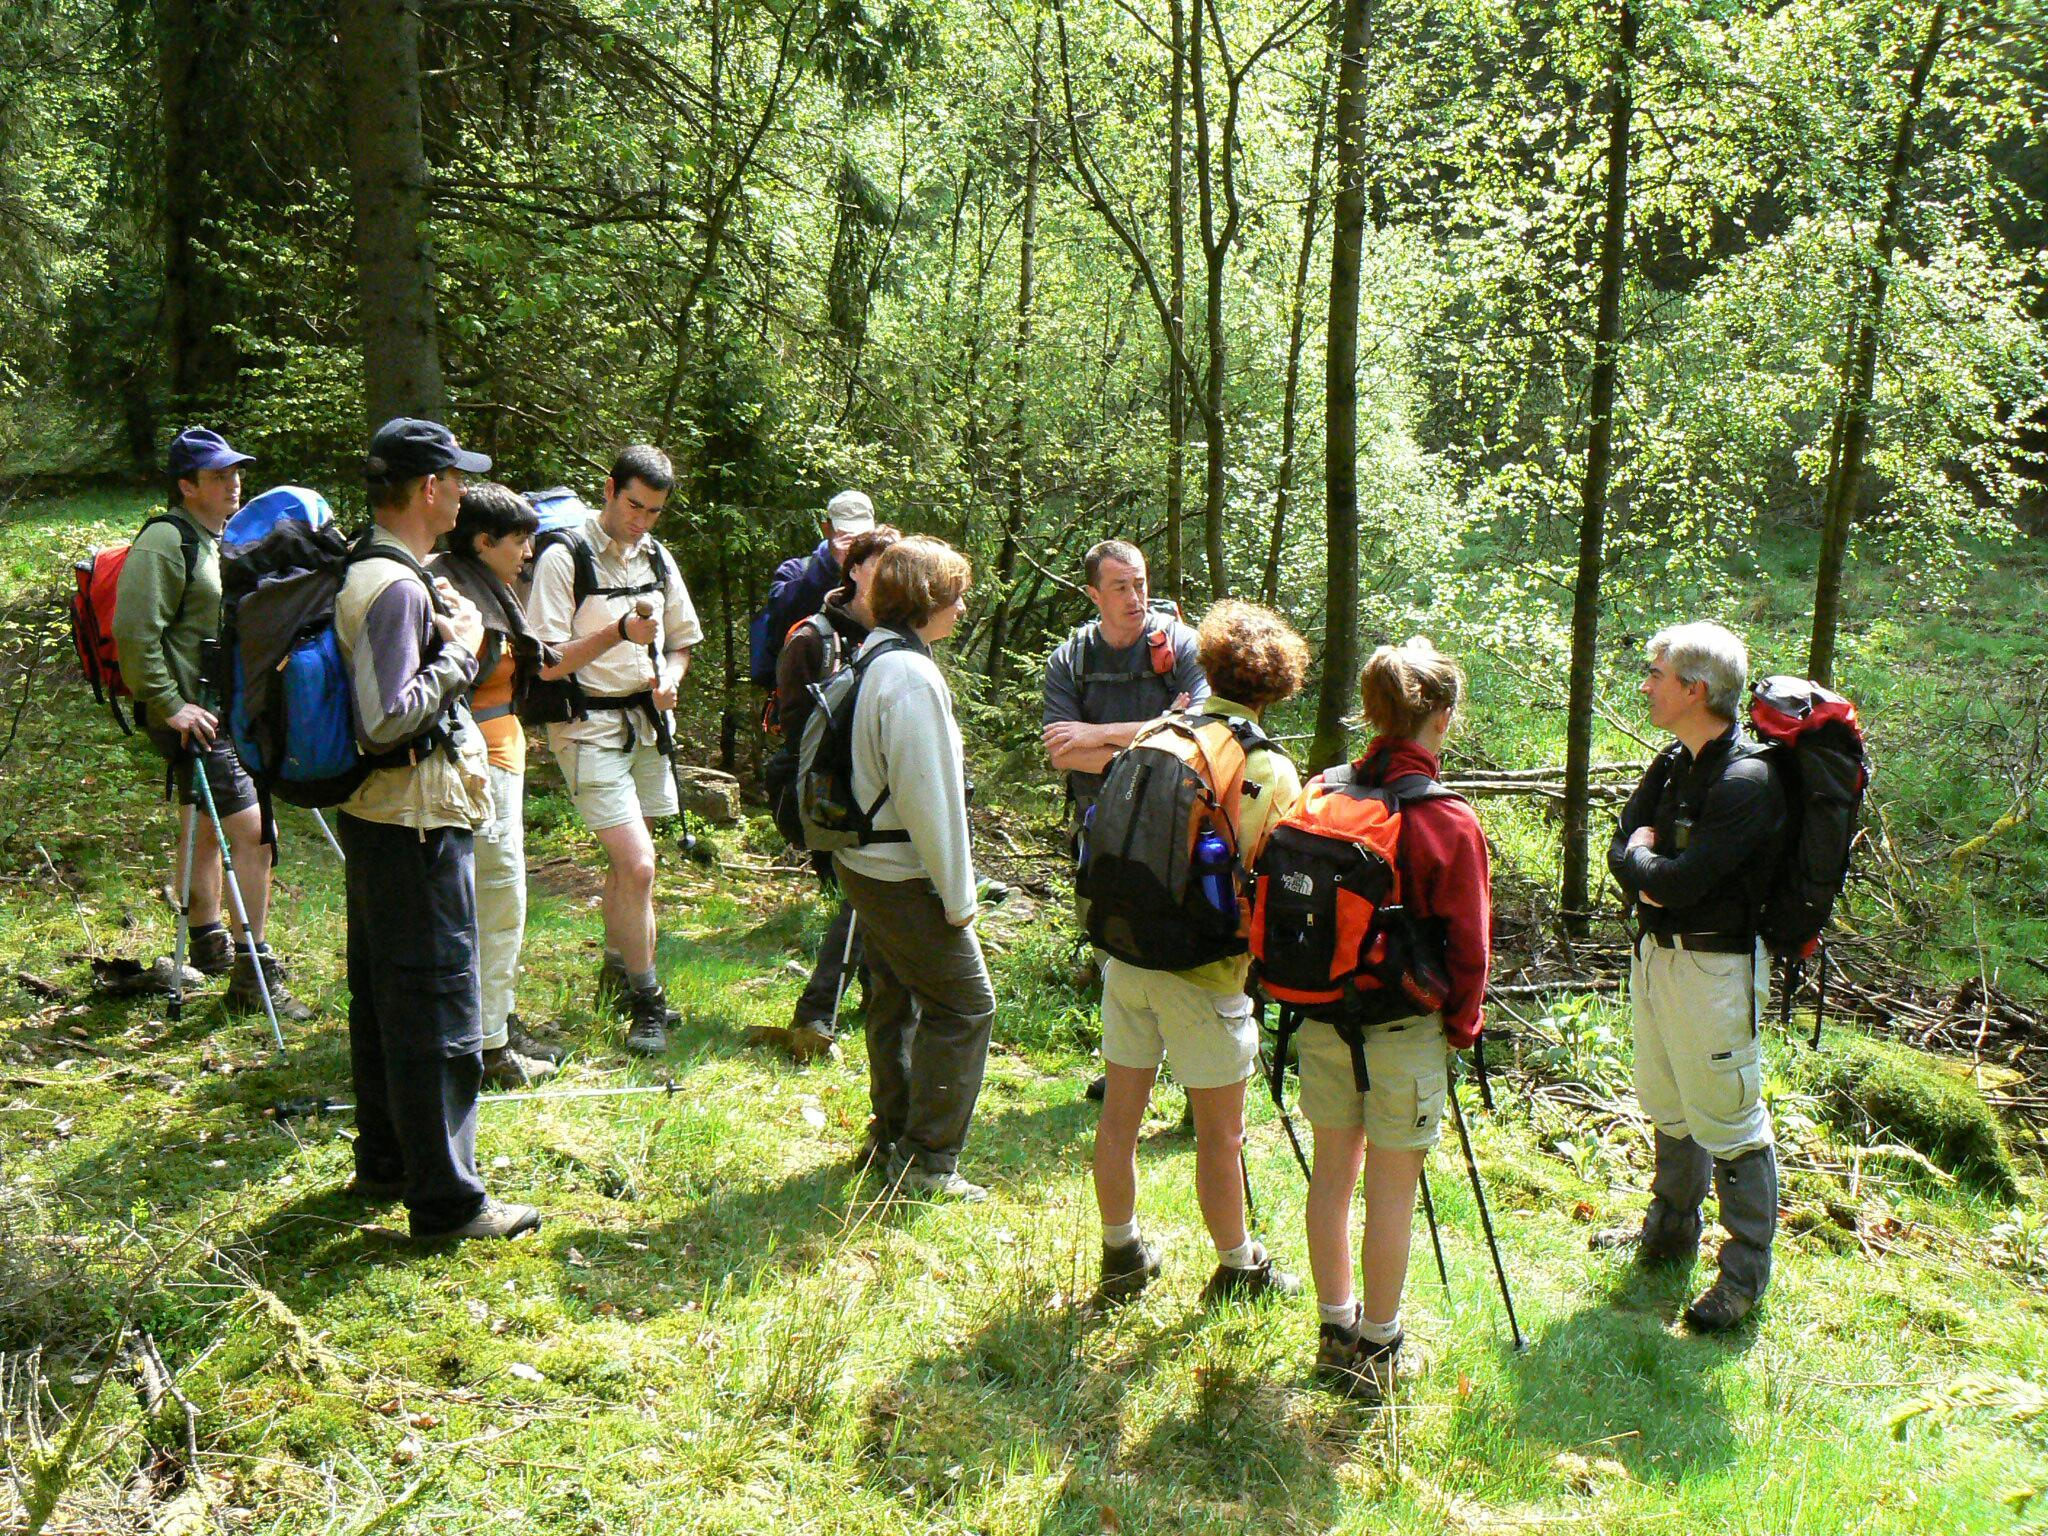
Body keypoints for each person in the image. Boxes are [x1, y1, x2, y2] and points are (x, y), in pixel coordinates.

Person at [334, 416, 538, 1241]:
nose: (461, 490)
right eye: (455, 479)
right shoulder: (391, 586)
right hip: (414, 819)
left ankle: (387, 1163)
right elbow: (387, 720)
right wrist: (463, 655)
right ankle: (450, 1201)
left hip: (386, 817)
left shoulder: (381, 566)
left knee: (386, 1001)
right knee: (438, 1008)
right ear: (429, 489)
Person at [1091, 600, 1309, 1309]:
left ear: (1208, 663)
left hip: (1127, 955)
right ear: (1276, 687)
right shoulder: (1268, 767)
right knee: (1221, 1135)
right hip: (1206, 971)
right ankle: (1237, 1267)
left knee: (1119, 1118)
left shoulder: (1157, 731)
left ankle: (1120, 1250)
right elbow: (1274, 877)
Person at [1298, 638, 1492, 1399]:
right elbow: (1470, 945)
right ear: (1441, 716)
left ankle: (1333, 1328)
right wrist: (1462, 1026)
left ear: (1374, 714)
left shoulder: (1323, 792)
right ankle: (1379, 1347)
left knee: (1331, 1177)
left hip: (1321, 1017)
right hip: (1403, 1030)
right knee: (1391, 1191)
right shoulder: (1447, 819)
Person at [1600, 622, 1786, 1333]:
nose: (1646, 685)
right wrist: (1650, 873)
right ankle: (1670, 1230)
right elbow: (1625, 844)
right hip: (1659, 959)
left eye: (1657, 674)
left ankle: (1742, 1276)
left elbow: (1678, 879)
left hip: (1715, 968)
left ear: (1694, 689)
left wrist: (1650, 873)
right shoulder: (1674, 763)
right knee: (1668, 1101)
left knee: (1731, 1119)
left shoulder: (1747, 780)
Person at [112, 426, 312, 1020]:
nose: (234, 483)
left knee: (204, 816)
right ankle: (255, 972)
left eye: (235, 472)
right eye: (220, 475)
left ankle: (208, 939)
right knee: (252, 830)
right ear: (186, 484)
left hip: (214, 706)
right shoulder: (164, 542)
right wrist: (169, 705)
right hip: (187, 714)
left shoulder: (212, 538)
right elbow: (134, 631)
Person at [524, 445, 702, 1055]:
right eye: (634, 506)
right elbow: (546, 664)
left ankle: (616, 973)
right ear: (609, 490)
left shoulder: (657, 556)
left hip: (648, 723)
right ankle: (647, 1001)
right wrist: (619, 632)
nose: (641, 521)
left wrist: (672, 676)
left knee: (634, 870)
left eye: (654, 512)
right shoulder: (563, 556)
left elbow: (681, 641)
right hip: (588, 725)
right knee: (639, 866)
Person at [834, 536, 996, 1200]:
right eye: (955, 593)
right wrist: (959, 899)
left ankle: (890, 1132)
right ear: (928, 600)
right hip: (901, 872)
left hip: (865, 864)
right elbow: (931, 803)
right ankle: (926, 1163)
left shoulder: (874, 656)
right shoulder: (912, 676)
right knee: (964, 1006)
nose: (962, 607)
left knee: (894, 997)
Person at [1043, 539, 1207, 1098]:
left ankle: (1197, 1085)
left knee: (1186, 946)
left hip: (1177, 824)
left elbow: (1198, 731)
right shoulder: (1071, 659)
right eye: (1122, 587)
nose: (1138, 596)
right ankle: (1129, 1071)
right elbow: (1062, 753)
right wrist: (1155, 731)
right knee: (1114, 946)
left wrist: (1097, 734)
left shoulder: (1182, 645)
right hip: (1101, 824)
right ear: (1094, 594)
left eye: (1140, 582)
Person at [430, 483, 562, 1088]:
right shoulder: (454, 593)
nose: (530, 550)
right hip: (478, 769)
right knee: (497, 906)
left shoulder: (477, 583)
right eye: (520, 539)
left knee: (495, 905)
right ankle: (489, 1049)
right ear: (484, 541)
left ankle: (496, 1021)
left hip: (496, 759)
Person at [767, 523, 901, 1062]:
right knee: (863, 898)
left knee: (872, 900)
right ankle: (817, 1012)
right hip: (824, 792)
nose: (892, 574)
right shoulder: (813, 638)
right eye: (881, 563)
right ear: (855, 570)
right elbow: (799, 733)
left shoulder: (899, 636)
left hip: (879, 794)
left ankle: (868, 1004)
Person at [762, 489, 876, 648]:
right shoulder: (795, 571)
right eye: (846, 534)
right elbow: (779, 625)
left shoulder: (881, 570)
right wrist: (832, 567)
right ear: (827, 529)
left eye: (863, 534)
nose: (856, 541)